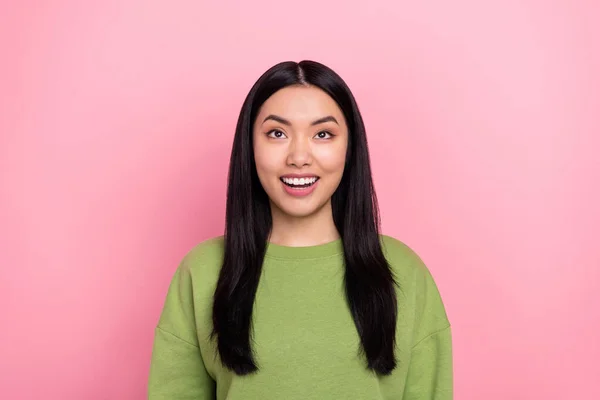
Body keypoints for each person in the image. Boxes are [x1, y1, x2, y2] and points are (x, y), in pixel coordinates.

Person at [148, 60, 452, 399]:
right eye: (277, 133)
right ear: (250, 147)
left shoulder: (403, 271)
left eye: (323, 134)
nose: (299, 156)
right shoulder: (202, 271)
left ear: (350, 149)